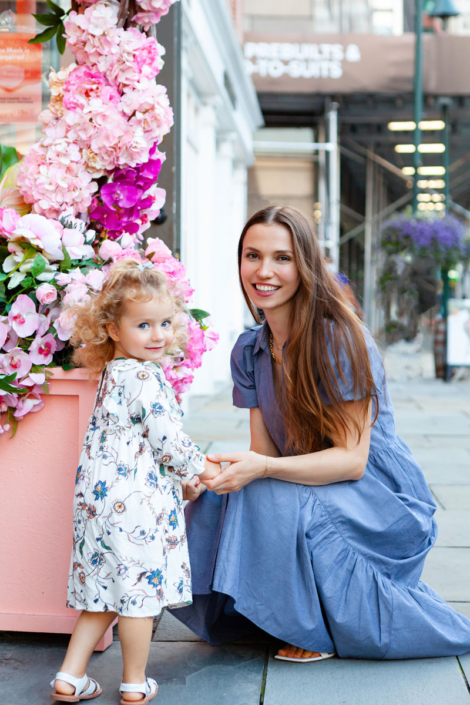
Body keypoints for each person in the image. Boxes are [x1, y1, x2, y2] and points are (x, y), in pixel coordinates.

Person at [172, 206, 470, 662]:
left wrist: (264, 469)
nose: (264, 271)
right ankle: (266, 611)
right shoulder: (249, 349)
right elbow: (264, 452)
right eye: (252, 255)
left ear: (305, 265)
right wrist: (211, 472)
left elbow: (351, 460)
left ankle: (313, 626)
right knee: (222, 493)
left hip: (376, 498)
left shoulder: (339, 340)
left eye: (282, 258)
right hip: (313, 481)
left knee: (261, 489)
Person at [50, 259, 220, 703]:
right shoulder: (146, 376)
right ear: (112, 329)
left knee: (102, 594)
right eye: (143, 325)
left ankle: (69, 677)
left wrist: (177, 479)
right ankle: (134, 683)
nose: (158, 335)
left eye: (165, 323)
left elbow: (136, 442)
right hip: (135, 507)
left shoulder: (113, 374)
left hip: (98, 503)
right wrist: (201, 469)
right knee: (138, 597)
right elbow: (166, 438)